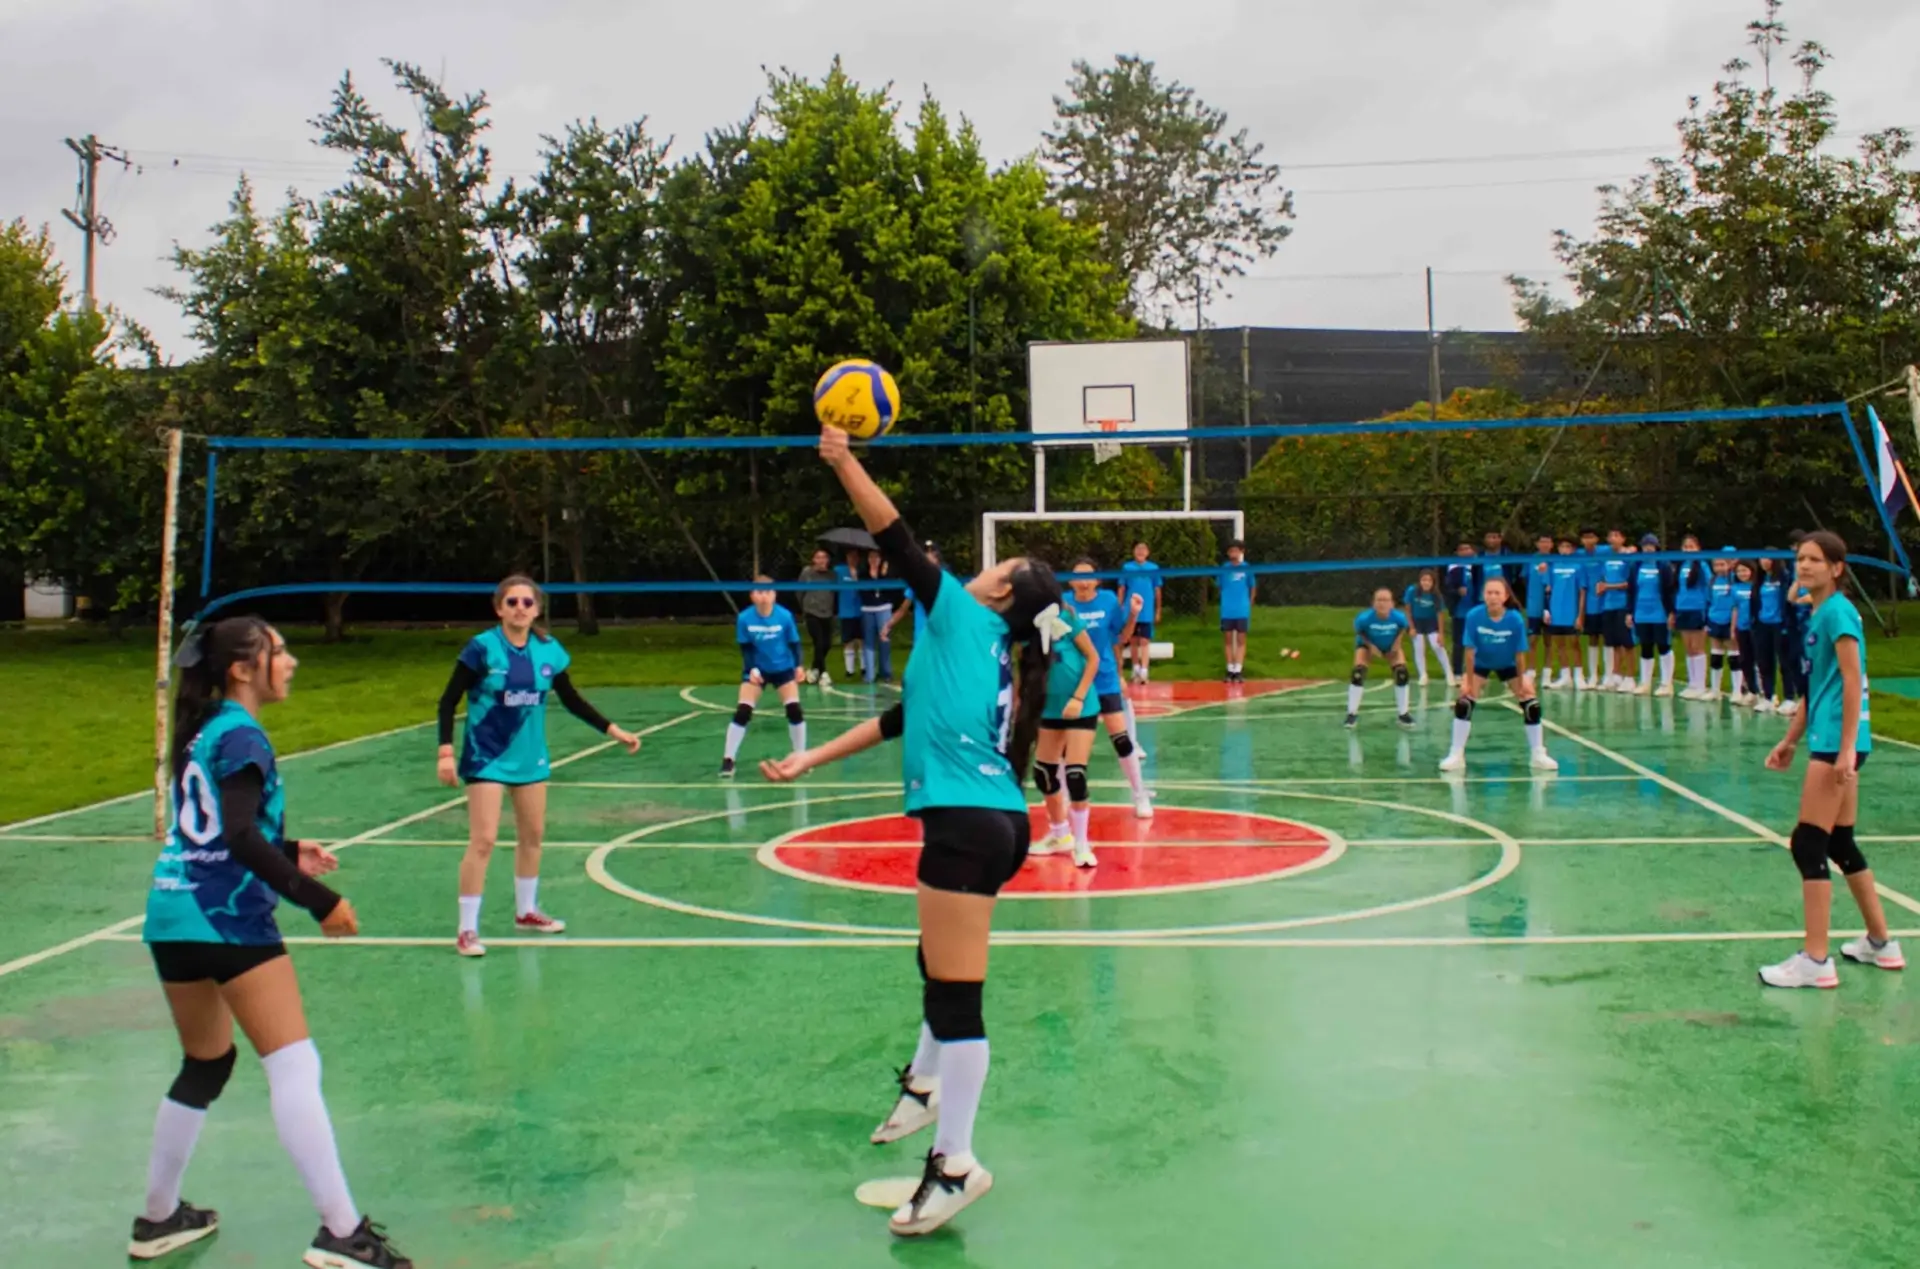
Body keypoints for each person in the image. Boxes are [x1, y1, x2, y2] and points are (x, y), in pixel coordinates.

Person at [759, 422, 1065, 1236]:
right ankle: (925, 1085)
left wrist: (843, 460)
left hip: (966, 826)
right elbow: (901, 718)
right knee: (936, 964)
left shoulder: (959, 613)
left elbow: (893, 536)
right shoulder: (986, 644)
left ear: (1000, 591)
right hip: (994, 821)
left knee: (956, 999)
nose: (982, 566)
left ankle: (956, 1161)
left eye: (998, 564)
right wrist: (810, 757)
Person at [134, 617, 411, 1269]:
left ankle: (157, 1218)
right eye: (278, 651)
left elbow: (211, 829)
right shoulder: (242, 735)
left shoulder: (203, 729)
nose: (290, 662)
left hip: (172, 913)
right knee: (293, 1065)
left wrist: (285, 848)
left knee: (206, 1062)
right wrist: (319, 899)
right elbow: (235, 835)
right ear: (241, 668)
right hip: (225, 917)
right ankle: (342, 1232)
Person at [438, 576, 641, 958]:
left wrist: (613, 730)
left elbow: (571, 699)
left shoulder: (548, 650)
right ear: (499, 608)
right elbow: (448, 701)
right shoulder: (482, 649)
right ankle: (466, 929)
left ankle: (526, 911)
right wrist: (445, 751)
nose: (520, 608)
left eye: (527, 602)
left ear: (537, 609)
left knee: (533, 835)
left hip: (531, 758)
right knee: (484, 840)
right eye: (512, 602)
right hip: (487, 756)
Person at [1758, 531, 1902, 987]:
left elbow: (1853, 679)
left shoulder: (1837, 613)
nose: (1804, 565)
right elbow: (1816, 688)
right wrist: (1789, 740)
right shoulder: (1820, 613)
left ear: (1836, 568)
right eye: (1801, 558)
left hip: (1838, 741)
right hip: (1830, 737)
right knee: (1840, 843)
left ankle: (1816, 960)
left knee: (1808, 843)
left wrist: (1845, 750)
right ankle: (1881, 942)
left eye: (1815, 560)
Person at [1438, 578, 1556, 773]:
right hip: (1481, 663)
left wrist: (1522, 681)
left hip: (1508, 663)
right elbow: (1469, 652)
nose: (1492, 597)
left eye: (1497, 593)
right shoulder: (1474, 616)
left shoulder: (1515, 619)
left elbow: (1519, 654)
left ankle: (1538, 754)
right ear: (1483, 595)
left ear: (1505, 596)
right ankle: (1456, 754)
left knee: (1531, 703)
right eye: (1489, 593)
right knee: (1464, 702)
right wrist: (1468, 682)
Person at [1064, 560, 1153, 819]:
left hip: (1104, 678)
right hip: (1074, 680)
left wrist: (1133, 614)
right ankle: (1067, 800)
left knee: (1121, 738)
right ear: (1070, 581)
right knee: (1067, 744)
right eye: (1078, 576)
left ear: (1097, 580)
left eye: (1088, 576)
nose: (1083, 582)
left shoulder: (1109, 601)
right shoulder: (1063, 604)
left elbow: (1122, 637)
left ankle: (1140, 793)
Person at [1029, 602, 1103, 867]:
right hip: (1049, 706)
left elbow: (1093, 658)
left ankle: (1082, 844)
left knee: (1075, 774)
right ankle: (1060, 834)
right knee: (1044, 773)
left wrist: (1078, 697)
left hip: (1080, 706)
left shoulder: (1066, 617)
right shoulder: (1023, 625)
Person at [720, 577, 807, 778]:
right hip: (757, 669)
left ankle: (801, 756)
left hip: (783, 668)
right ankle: (728, 760)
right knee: (743, 711)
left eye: (768, 592)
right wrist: (751, 669)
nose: (764, 596)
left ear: (774, 594)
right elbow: (746, 648)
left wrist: (798, 666)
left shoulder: (784, 616)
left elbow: (794, 643)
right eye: (759, 592)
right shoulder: (744, 618)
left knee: (794, 710)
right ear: (752, 595)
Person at [1348, 588, 1415, 729]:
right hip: (1368, 645)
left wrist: (1397, 643)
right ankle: (1352, 713)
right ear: (1373, 603)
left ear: (1392, 603)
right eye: (1379, 600)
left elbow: (1403, 628)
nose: (1382, 604)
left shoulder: (1398, 617)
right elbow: (1360, 632)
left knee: (1402, 673)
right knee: (1358, 673)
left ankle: (1403, 714)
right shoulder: (1364, 618)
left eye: (1385, 600)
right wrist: (1371, 646)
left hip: (1391, 645)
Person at [1627, 533, 1677, 696]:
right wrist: (1629, 612)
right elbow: (1631, 590)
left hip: (1659, 611)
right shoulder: (1636, 566)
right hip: (1641, 611)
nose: (1648, 548)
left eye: (1651, 545)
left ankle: (1666, 683)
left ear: (1656, 547)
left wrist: (1671, 612)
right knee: (1645, 646)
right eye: (1645, 545)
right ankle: (1645, 683)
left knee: (1663, 646)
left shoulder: (1663, 566)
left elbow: (1670, 590)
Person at [885, 540, 945, 660]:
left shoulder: (945, 580)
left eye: (932, 554)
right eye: (926, 554)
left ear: (938, 558)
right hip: (921, 638)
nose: (929, 557)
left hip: (939, 637)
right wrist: (888, 625)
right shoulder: (917, 580)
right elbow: (903, 609)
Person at [1542, 537, 1586, 689]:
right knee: (1559, 644)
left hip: (1571, 612)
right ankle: (1565, 676)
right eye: (1562, 546)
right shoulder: (1553, 565)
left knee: (1574, 644)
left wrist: (1580, 615)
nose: (1565, 549)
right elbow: (1548, 590)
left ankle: (1579, 677)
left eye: (1568, 546)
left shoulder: (1579, 566)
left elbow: (1582, 592)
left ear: (1573, 549)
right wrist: (1546, 610)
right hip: (1556, 612)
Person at [1672, 535, 1711, 699]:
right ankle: (1692, 683)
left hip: (1697, 608)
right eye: (1685, 547)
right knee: (1688, 647)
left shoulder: (1702, 565)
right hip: (1682, 608)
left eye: (1691, 547)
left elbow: (1708, 586)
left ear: (1698, 549)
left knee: (1697, 647)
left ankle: (1701, 684)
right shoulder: (1681, 566)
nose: (1688, 550)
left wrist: (1707, 608)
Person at [1749, 554, 1790, 714]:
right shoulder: (1760, 580)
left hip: (1779, 624)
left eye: (1767, 558)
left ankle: (1789, 697)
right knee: (1764, 661)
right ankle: (1768, 696)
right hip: (1762, 624)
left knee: (1784, 661)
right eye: (1761, 559)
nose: (1764, 561)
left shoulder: (1784, 578)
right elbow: (1754, 601)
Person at [1595, 528, 1634, 691]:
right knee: (1613, 642)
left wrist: (1608, 587)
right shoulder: (1606, 558)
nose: (1613, 538)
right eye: (1611, 535)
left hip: (1622, 604)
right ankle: (1615, 674)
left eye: (1617, 535)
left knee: (1627, 642)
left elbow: (1628, 583)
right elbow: (1602, 580)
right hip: (1608, 605)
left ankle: (1630, 677)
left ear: (1623, 539)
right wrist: (1601, 586)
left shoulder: (1627, 558)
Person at [1119, 540, 1163, 684]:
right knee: (1132, 640)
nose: (1140, 552)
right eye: (1138, 549)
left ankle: (1144, 670)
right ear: (1133, 552)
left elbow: (1157, 589)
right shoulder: (1127, 568)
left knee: (1144, 640)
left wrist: (1158, 610)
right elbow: (1122, 588)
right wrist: (1120, 606)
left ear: (1148, 553)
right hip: (1131, 610)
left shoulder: (1153, 568)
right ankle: (1135, 668)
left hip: (1146, 610)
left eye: (1143, 549)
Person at [1401, 568, 1453, 686]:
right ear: (1420, 581)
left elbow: (1440, 614)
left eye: (1429, 580)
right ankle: (1423, 675)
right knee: (1419, 648)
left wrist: (1441, 633)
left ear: (1433, 582)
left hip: (1431, 622)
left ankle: (1449, 674)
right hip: (1416, 622)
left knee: (1437, 646)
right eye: (1424, 580)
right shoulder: (1412, 591)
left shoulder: (1436, 595)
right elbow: (1407, 609)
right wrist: (1411, 627)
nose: (1426, 583)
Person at [797, 547, 839, 688]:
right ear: (813, 559)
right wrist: (804, 607)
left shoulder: (832, 575)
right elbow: (799, 592)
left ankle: (814, 668)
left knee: (827, 643)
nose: (821, 560)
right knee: (819, 642)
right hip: (811, 612)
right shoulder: (807, 573)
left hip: (827, 613)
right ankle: (823, 672)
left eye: (824, 557)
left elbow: (835, 593)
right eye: (818, 557)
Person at [1217, 540, 1255, 683]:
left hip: (1242, 609)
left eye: (1236, 550)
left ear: (1241, 552)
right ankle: (1229, 669)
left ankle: (1238, 669)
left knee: (1241, 640)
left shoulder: (1246, 568)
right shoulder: (1224, 569)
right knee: (1227, 640)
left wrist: (1249, 602)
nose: (1234, 553)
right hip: (1227, 610)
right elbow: (1220, 586)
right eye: (1231, 551)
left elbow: (1252, 586)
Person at [1576, 527, 1607, 690]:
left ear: (1596, 539)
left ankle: (1609, 676)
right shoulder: (1579, 555)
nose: (1588, 540)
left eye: (1591, 537)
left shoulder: (1605, 551)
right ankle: (1593, 675)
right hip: (1590, 604)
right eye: (1585, 537)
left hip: (1607, 603)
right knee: (1593, 638)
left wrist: (1630, 549)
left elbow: (1623, 549)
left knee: (1609, 638)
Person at [861, 549, 897, 685]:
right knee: (868, 642)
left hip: (884, 608)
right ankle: (870, 675)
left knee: (884, 640)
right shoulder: (863, 573)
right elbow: (861, 590)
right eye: (871, 557)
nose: (874, 560)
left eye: (876, 557)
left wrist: (883, 574)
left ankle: (886, 672)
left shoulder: (887, 571)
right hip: (867, 609)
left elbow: (892, 589)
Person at [1705, 553, 1739, 700]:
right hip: (1714, 619)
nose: (1719, 568)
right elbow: (1709, 600)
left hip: (1730, 619)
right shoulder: (1712, 581)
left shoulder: (1734, 580)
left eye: (1722, 564)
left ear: (1729, 565)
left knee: (1734, 655)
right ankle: (1715, 690)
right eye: (1716, 565)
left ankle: (1737, 690)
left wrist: (1733, 624)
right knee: (1715, 655)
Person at [1443, 540, 1479, 672]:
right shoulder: (1453, 568)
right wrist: (1457, 591)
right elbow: (1447, 588)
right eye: (1462, 549)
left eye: (1467, 548)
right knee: (1458, 642)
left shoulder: (1478, 566)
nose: (1465, 551)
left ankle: (1477, 670)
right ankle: (1457, 671)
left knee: (1477, 641)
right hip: (1459, 610)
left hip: (1476, 609)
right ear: (1457, 553)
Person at [836, 548, 867, 680]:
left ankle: (864, 667)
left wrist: (856, 578)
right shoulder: (839, 571)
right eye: (850, 556)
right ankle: (849, 670)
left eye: (855, 557)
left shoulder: (863, 572)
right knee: (848, 640)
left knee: (861, 640)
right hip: (846, 611)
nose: (852, 559)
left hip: (860, 610)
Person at [1729, 561, 1758, 705]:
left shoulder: (1757, 586)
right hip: (1742, 627)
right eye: (1739, 571)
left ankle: (1766, 693)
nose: (1742, 574)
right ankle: (1752, 691)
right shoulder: (1735, 588)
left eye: (1745, 570)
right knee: (1745, 660)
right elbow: (1735, 609)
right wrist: (1733, 628)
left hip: (1756, 627)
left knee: (1760, 660)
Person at [1524, 532, 1554, 653]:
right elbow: (1524, 579)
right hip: (1534, 606)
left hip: (1551, 606)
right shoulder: (1530, 560)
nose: (1545, 544)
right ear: (1537, 544)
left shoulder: (1556, 560)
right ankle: (1530, 665)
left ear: (1552, 544)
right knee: (1532, 639)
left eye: (1547, 542)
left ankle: (1548, 665)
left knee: (1549, 640)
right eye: (1542, 542)